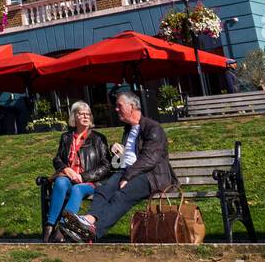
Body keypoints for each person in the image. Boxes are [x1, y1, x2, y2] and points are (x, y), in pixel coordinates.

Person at [62, 90, 176, 242]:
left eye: (119, 106)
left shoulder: (153, 128)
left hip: (152, 175)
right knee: (103, 190)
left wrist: (128, 177)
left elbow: (149, 159)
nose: (116, 109)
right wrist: (119, 151)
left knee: (121, 195)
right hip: (128, 171)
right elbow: (130, 157)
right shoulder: (128, 130)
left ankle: (94, 233)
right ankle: (88, 221)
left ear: (132, 107)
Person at [43, 102, 112, 242]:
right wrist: (66, 169)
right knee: (61, 182)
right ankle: (50, 226)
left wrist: (83, 176)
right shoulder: (66, 137)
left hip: (91, 182)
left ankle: (62, 228)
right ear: (74, 116)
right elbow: (57, 159)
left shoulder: (98, 138)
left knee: (77, 189)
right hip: (69, 178)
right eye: (81, 113)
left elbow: (106, 165)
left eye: (88, 114)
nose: (86, 117)